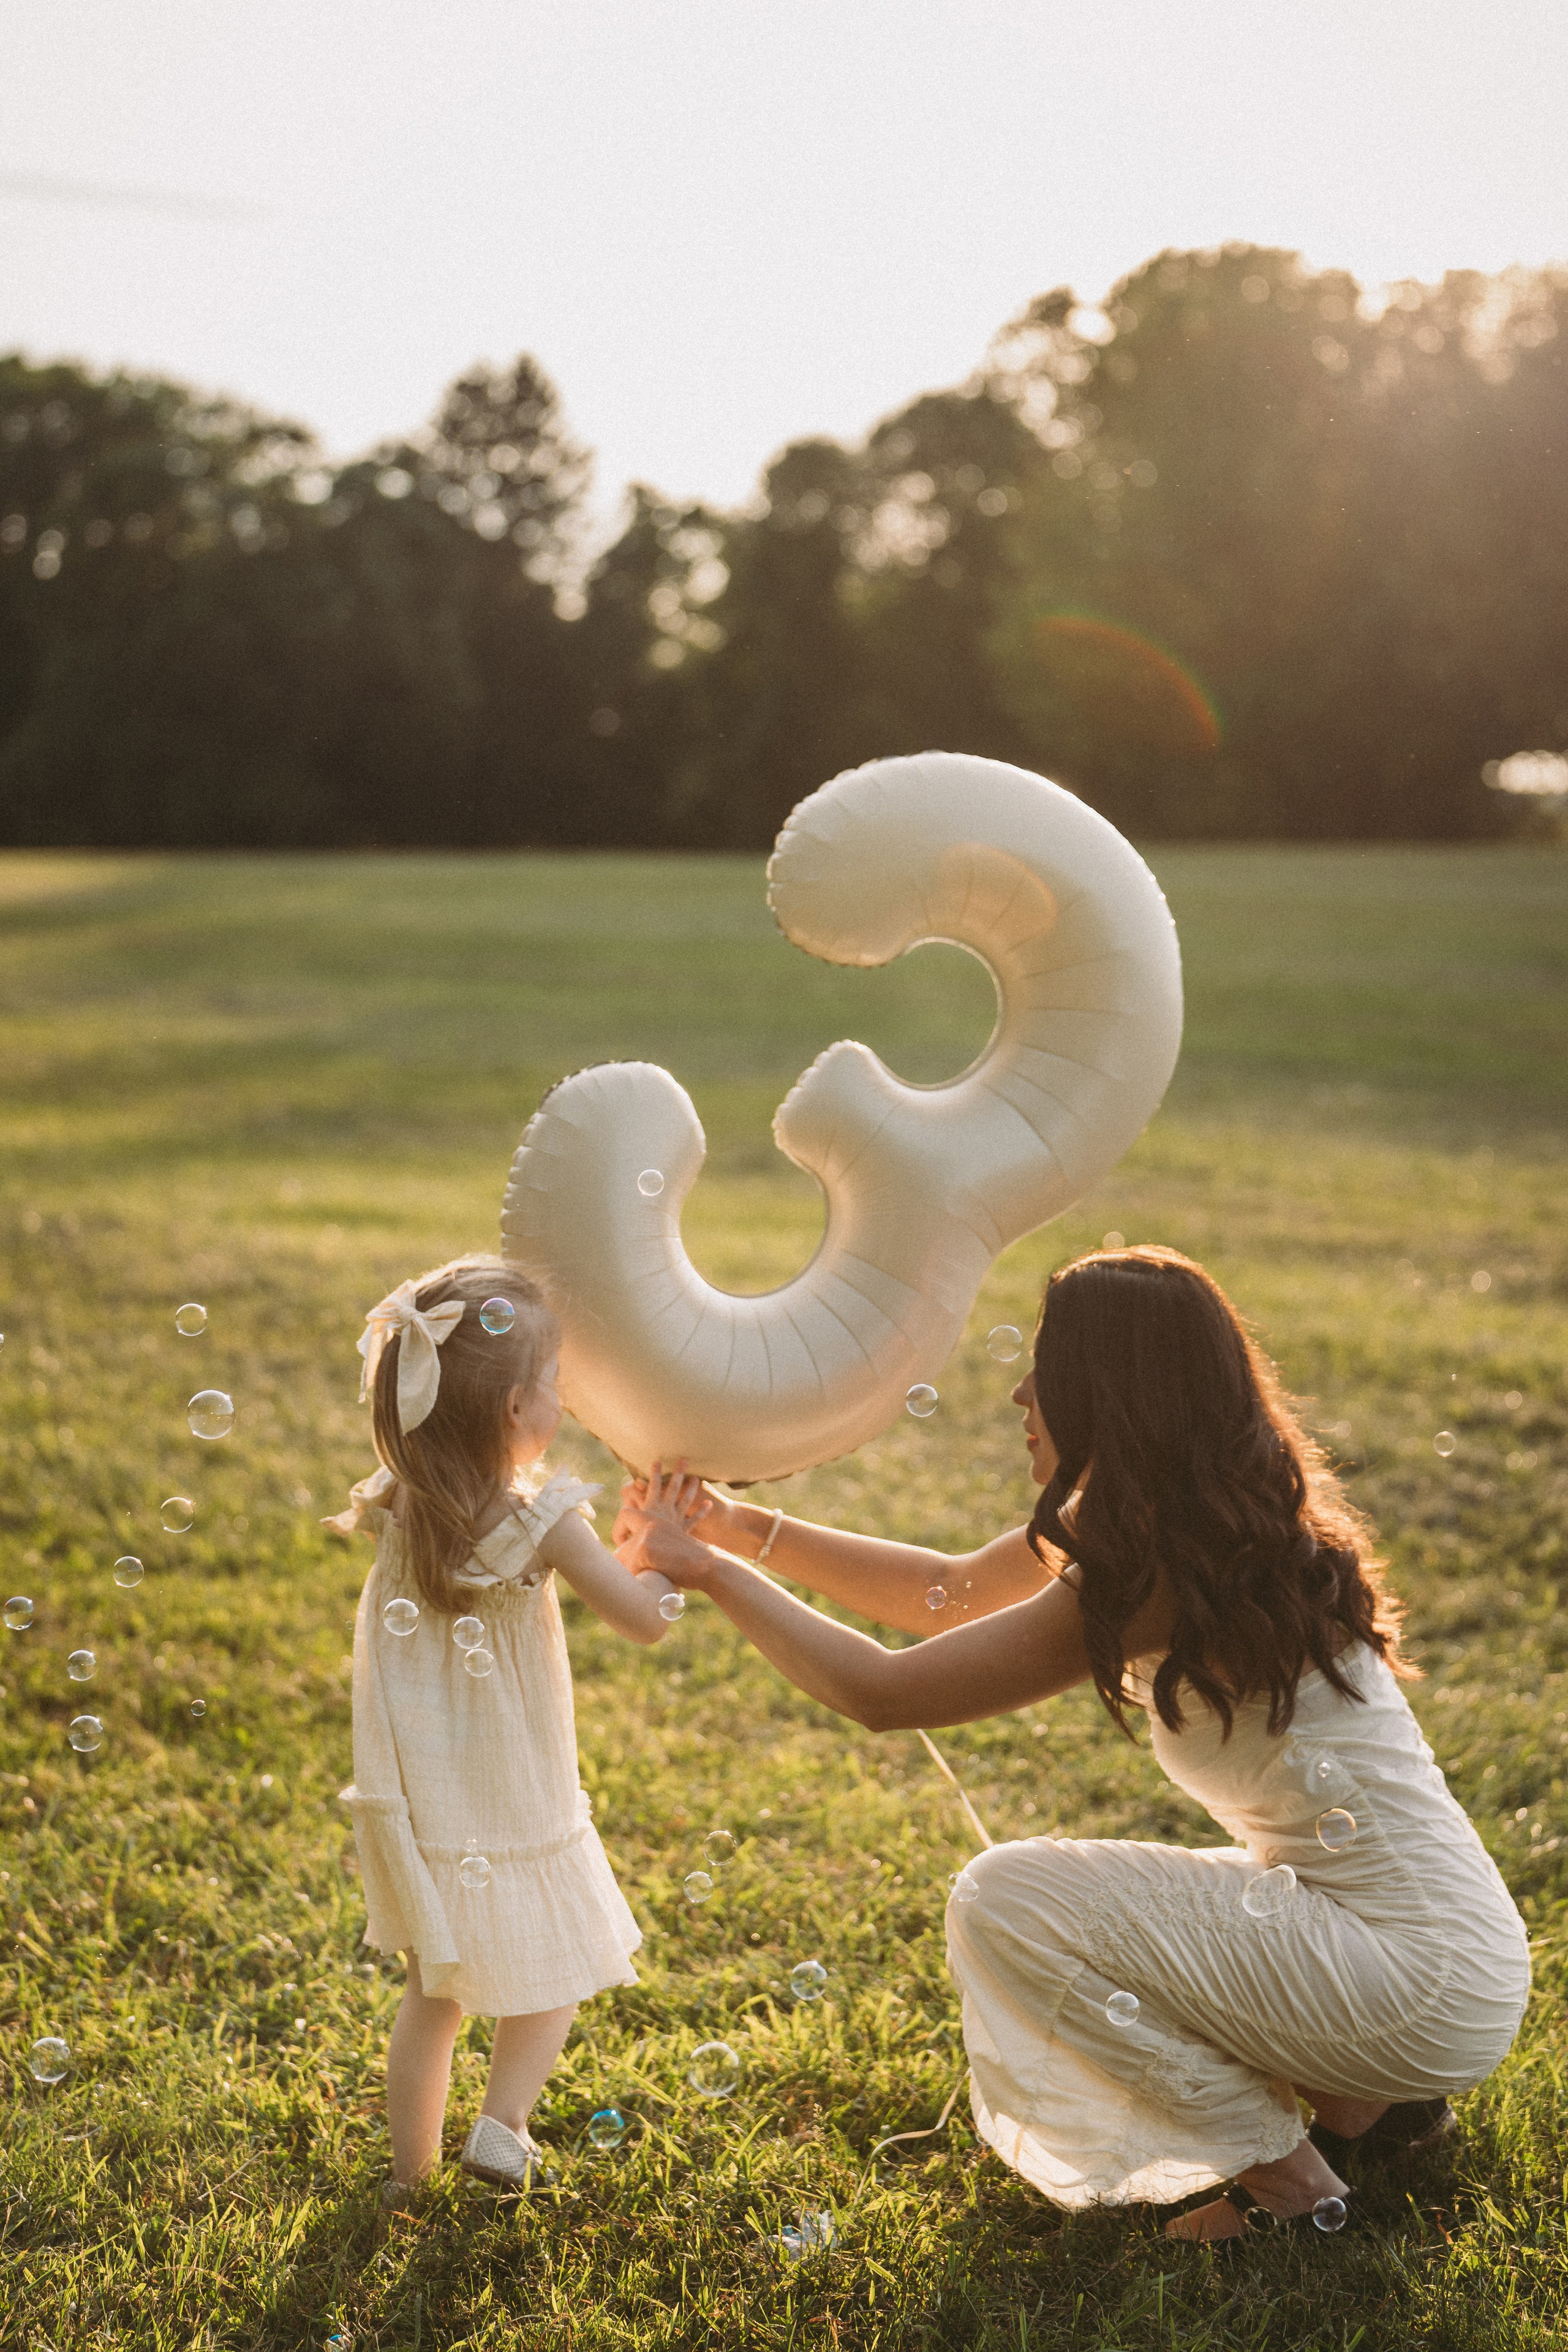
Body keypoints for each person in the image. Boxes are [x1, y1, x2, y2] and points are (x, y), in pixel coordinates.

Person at [617, 1245, 1530, 2242]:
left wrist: (703, 1570)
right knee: (1145, 1903)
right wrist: (740, 1526)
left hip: (1415, 1980)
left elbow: (883, 1693)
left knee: (1011, 1899)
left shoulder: (1160, 1561)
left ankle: (1288, 2186)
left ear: (1111, 1389)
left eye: (1043, 1368)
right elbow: (946, 1592)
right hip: (1451, 1961)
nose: (1020, 1393)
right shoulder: (1205, 1513)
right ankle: (1381, 2112)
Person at [328, 1255, 685, 2201]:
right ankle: (504, 2124)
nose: (563, 1400)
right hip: (517, 1787)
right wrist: (671, 1561)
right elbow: (643, 1617)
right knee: (553, 1962)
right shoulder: (548, 1521)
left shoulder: (405, 1501)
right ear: (520, 1411)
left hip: (428, 1792)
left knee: (433, 1995)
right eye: (557, 1384)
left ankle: (410, 2180)